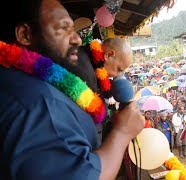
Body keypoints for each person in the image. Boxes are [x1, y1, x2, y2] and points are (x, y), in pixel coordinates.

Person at [0, 0, 145, 179]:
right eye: (63, 28)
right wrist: (122, 133)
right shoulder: (39, 105)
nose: (77, 38)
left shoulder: (17, 80)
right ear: (25, 34)